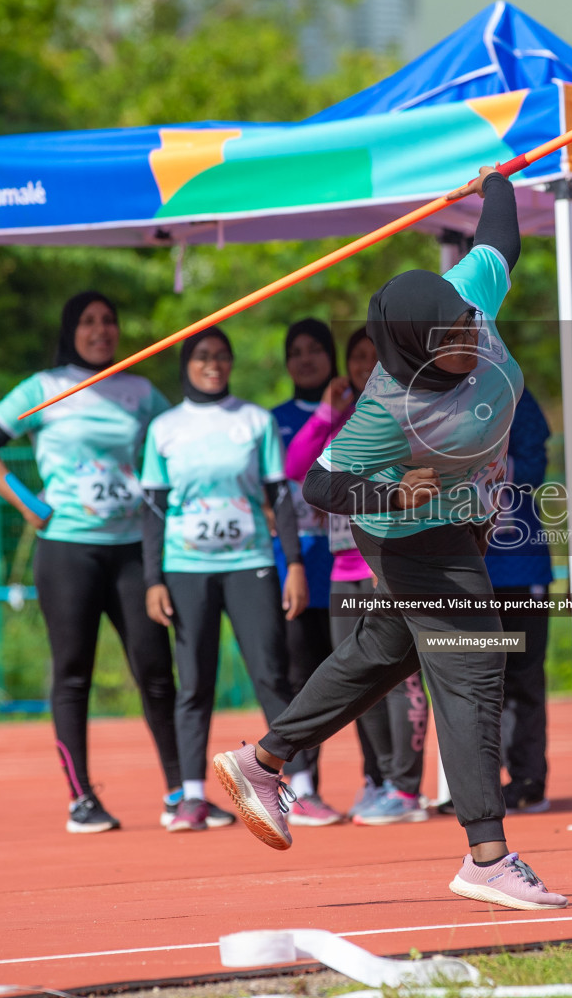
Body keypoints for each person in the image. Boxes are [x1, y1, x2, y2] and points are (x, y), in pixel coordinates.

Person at [212, 166, 569, 911]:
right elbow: (317, 483)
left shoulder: (470, 290)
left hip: (462, 520)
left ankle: (264, 761)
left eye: (469, 329)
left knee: (384, 649)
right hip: (409, 533)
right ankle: (487, 855)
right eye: (450, 344)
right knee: (474, 663)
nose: (470, 343)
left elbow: (501, 235)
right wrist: (387, 490)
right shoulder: (386, 407)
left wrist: (494, 183)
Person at [0, 290, 179, 834]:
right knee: (73, 675)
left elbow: (181, 440)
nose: (101, 330)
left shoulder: (139, 390)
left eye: (109, 321)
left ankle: (182, 793)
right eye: (88, 322)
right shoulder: (44, 387)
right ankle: (81, 799)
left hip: (132, 551)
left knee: (155, 672)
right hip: (68, 552)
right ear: (69, 330)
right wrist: (30, 504)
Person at [140, 326, 311, 832]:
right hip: (186, 568)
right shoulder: (164, 427)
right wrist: (153, 579)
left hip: (250, 562)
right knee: (193, 681)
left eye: (220, 356)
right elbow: (154, 508)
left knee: (271, 672)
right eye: (201, 356)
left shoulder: (255, 420)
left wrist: (294, 563)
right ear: (186, 365)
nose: (212, 364)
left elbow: (281, 496)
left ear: (231, 363)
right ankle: (191, 797)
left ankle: (296, 788)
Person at [284, 327, 431, 826]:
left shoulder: (400, 416)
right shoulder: (344, 423)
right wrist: (327, 410)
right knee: (358, 681)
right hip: (340, 573)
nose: (367, 366)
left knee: (400, 677)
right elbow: (295, 465)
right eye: (358, 358)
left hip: (383, 566)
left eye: (376, 357)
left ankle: (406, 789)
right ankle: (381, 778)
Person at [270, 319, 346, 826]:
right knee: (301, 674)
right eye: (295, 351)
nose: (306, 358)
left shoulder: (359, 410)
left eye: (316, 349)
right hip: (293, 565)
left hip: (345, 561)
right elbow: (274, 493)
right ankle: (302, 786)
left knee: (351, 671)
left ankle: (379, 781)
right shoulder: (272, 421)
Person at [487, 389, 555, 814]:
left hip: (522, 568)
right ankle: (479, 784)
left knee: (525, 678)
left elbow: (535, 466)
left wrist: (480, 466)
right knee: (475, 682)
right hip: (468, 574)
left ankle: (528, 779)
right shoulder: (442, 396)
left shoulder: (518, 399)